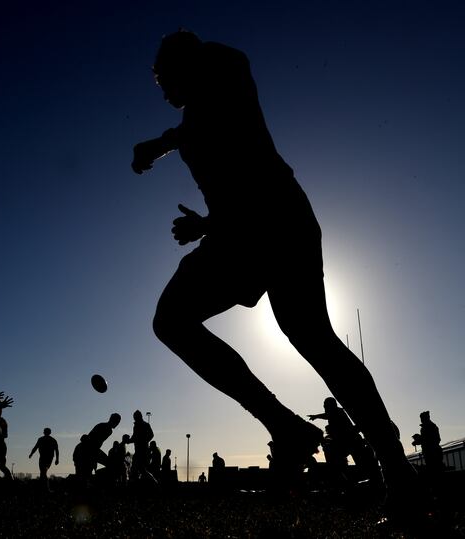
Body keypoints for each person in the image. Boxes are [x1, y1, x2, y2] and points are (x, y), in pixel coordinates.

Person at [132, 30, 418, 513]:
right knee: (174, 321)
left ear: (183, 67)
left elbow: (227, 119)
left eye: (163, 78)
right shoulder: (190, 123)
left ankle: (393, 465)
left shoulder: (224, 70)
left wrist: (162, 141)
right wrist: (205, 223)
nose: (161, 91)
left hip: (280, 222)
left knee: (312, 339)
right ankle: (287, 426)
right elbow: (230, 178)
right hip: (240, 232)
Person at [126, 410, 155, 483]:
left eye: (135, 417)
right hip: (138, 451)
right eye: (134, 417)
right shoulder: (136, 426)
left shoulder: (145, 425)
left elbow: (151, 435)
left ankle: (154, 483)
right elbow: (134, 437)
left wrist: (144, 441)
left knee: (141, 470)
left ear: (139, 417)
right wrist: (128, 441)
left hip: (143, 451)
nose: (134, 419)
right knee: (137, 470)